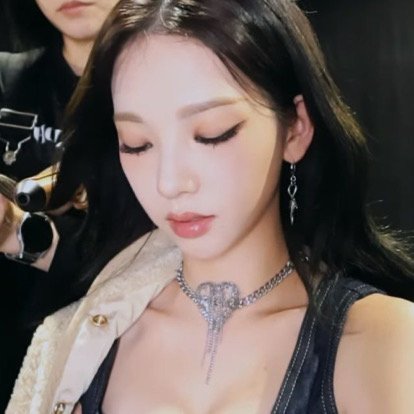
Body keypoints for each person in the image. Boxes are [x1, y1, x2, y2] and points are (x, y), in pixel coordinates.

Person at [7, 0, 414, 412]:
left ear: (295, 128)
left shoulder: (379, 345)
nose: (169, 183)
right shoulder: (81, 346)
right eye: (137, 143)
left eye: (212, 134)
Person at [0, 0, 118, 410]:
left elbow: (150, 256)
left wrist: (18, 232)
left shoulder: (166, 91)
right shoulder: (8, 79)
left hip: (110, 363)